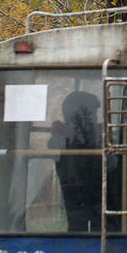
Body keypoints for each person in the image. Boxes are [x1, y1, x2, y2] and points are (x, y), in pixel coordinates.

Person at [51, 90, 102, 232]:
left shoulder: (68, 137)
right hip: (84, 196)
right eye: (93, 114)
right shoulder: (65, 140)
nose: (96, 118)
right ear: (81, 117)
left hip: (85, 196)